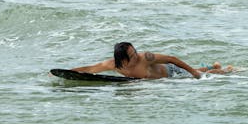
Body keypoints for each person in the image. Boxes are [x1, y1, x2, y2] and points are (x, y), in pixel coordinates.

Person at [71, 42, 234, 79]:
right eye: (133, 55)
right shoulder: (112, 64)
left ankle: (226, 70)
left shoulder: (146, 57)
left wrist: (194, 73)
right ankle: (213, 65)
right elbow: (91, 68)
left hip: (172, 73)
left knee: (201, 74)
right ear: (123, 59)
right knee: (197, 71)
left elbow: (172, 58)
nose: (137, 55)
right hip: (165, 78)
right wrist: (69, 72)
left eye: (135, 51)